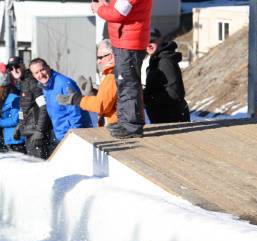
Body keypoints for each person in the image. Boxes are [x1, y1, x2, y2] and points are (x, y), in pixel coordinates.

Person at [92, 0, 153, 139]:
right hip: (124, 41)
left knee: (128, 84)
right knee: (123, 83)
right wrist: (105, 5)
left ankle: (131, 127)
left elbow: (118, 13)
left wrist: (99, 8)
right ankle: (125, 122)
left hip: (129, 43)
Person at [29, 59, 92, 150]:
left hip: (74, 136)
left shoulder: (64, 83)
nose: (41, 74)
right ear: (33, 75)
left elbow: (76, 113)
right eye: (36, 72)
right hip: (61, 135)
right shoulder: (45, 86)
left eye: (42, 70)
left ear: (48, 67)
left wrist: (74, 135)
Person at [56, 39, 118, 127]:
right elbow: (111, 100)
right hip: (116, 125)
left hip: (115, 126)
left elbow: (101, 106)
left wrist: (76, 99)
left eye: (100, 57)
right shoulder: (115, 74)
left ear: (110, 56)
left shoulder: (111, 76)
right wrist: (93, 93)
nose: (98, 61)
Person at [6, 56, 53, 159]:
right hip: (29, 132)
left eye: (17, 66)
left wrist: (39, 131)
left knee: (39, 168)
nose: (14, 70)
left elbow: (44, 106)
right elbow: (25, 108)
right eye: (11, 68)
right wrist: (20, 125)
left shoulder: (32, 82)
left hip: (37, 135)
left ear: (23, 65)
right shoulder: (23, 82)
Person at [144, 28, 190, 123]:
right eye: (144, 42)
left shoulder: (165, 61)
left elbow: (174, 92)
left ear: (160, 40)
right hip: (164, 115)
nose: (148, 44)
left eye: (152, 41)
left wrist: (151, 98)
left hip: (171, 116)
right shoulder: (156, 59)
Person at [0, 78, 24, 153]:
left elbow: (15, 120)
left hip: (16, 139)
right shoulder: (2, 100)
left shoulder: (13, 98)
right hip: (7, 139)